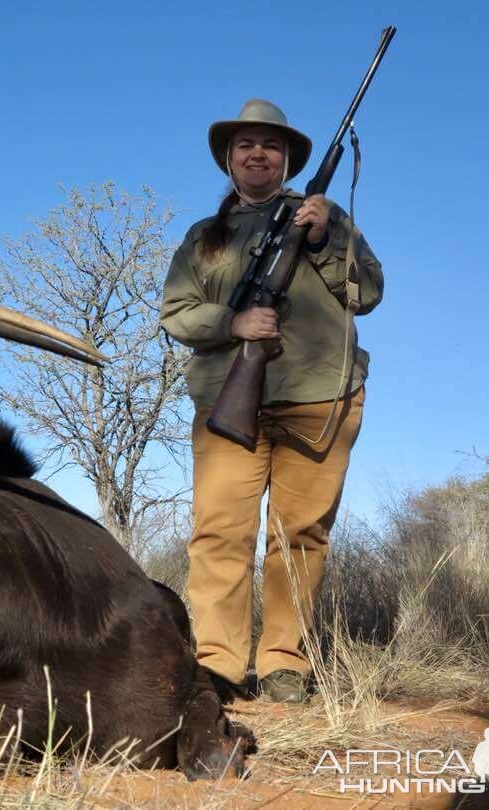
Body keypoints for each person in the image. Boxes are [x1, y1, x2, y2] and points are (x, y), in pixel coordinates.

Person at [160, 99, 383, 703]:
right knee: (219, 533)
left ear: (286, 160)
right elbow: (176, 314)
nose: (257, 154)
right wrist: (234, 324)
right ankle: (218, 667)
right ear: (229, 161)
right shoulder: (202, 238)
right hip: (227, 408)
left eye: (270, 146)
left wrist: (325, 236)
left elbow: (367, 293)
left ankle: (285, 665)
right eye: (245, 146)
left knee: (300, 534)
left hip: (319, 400)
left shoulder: (324, 219)